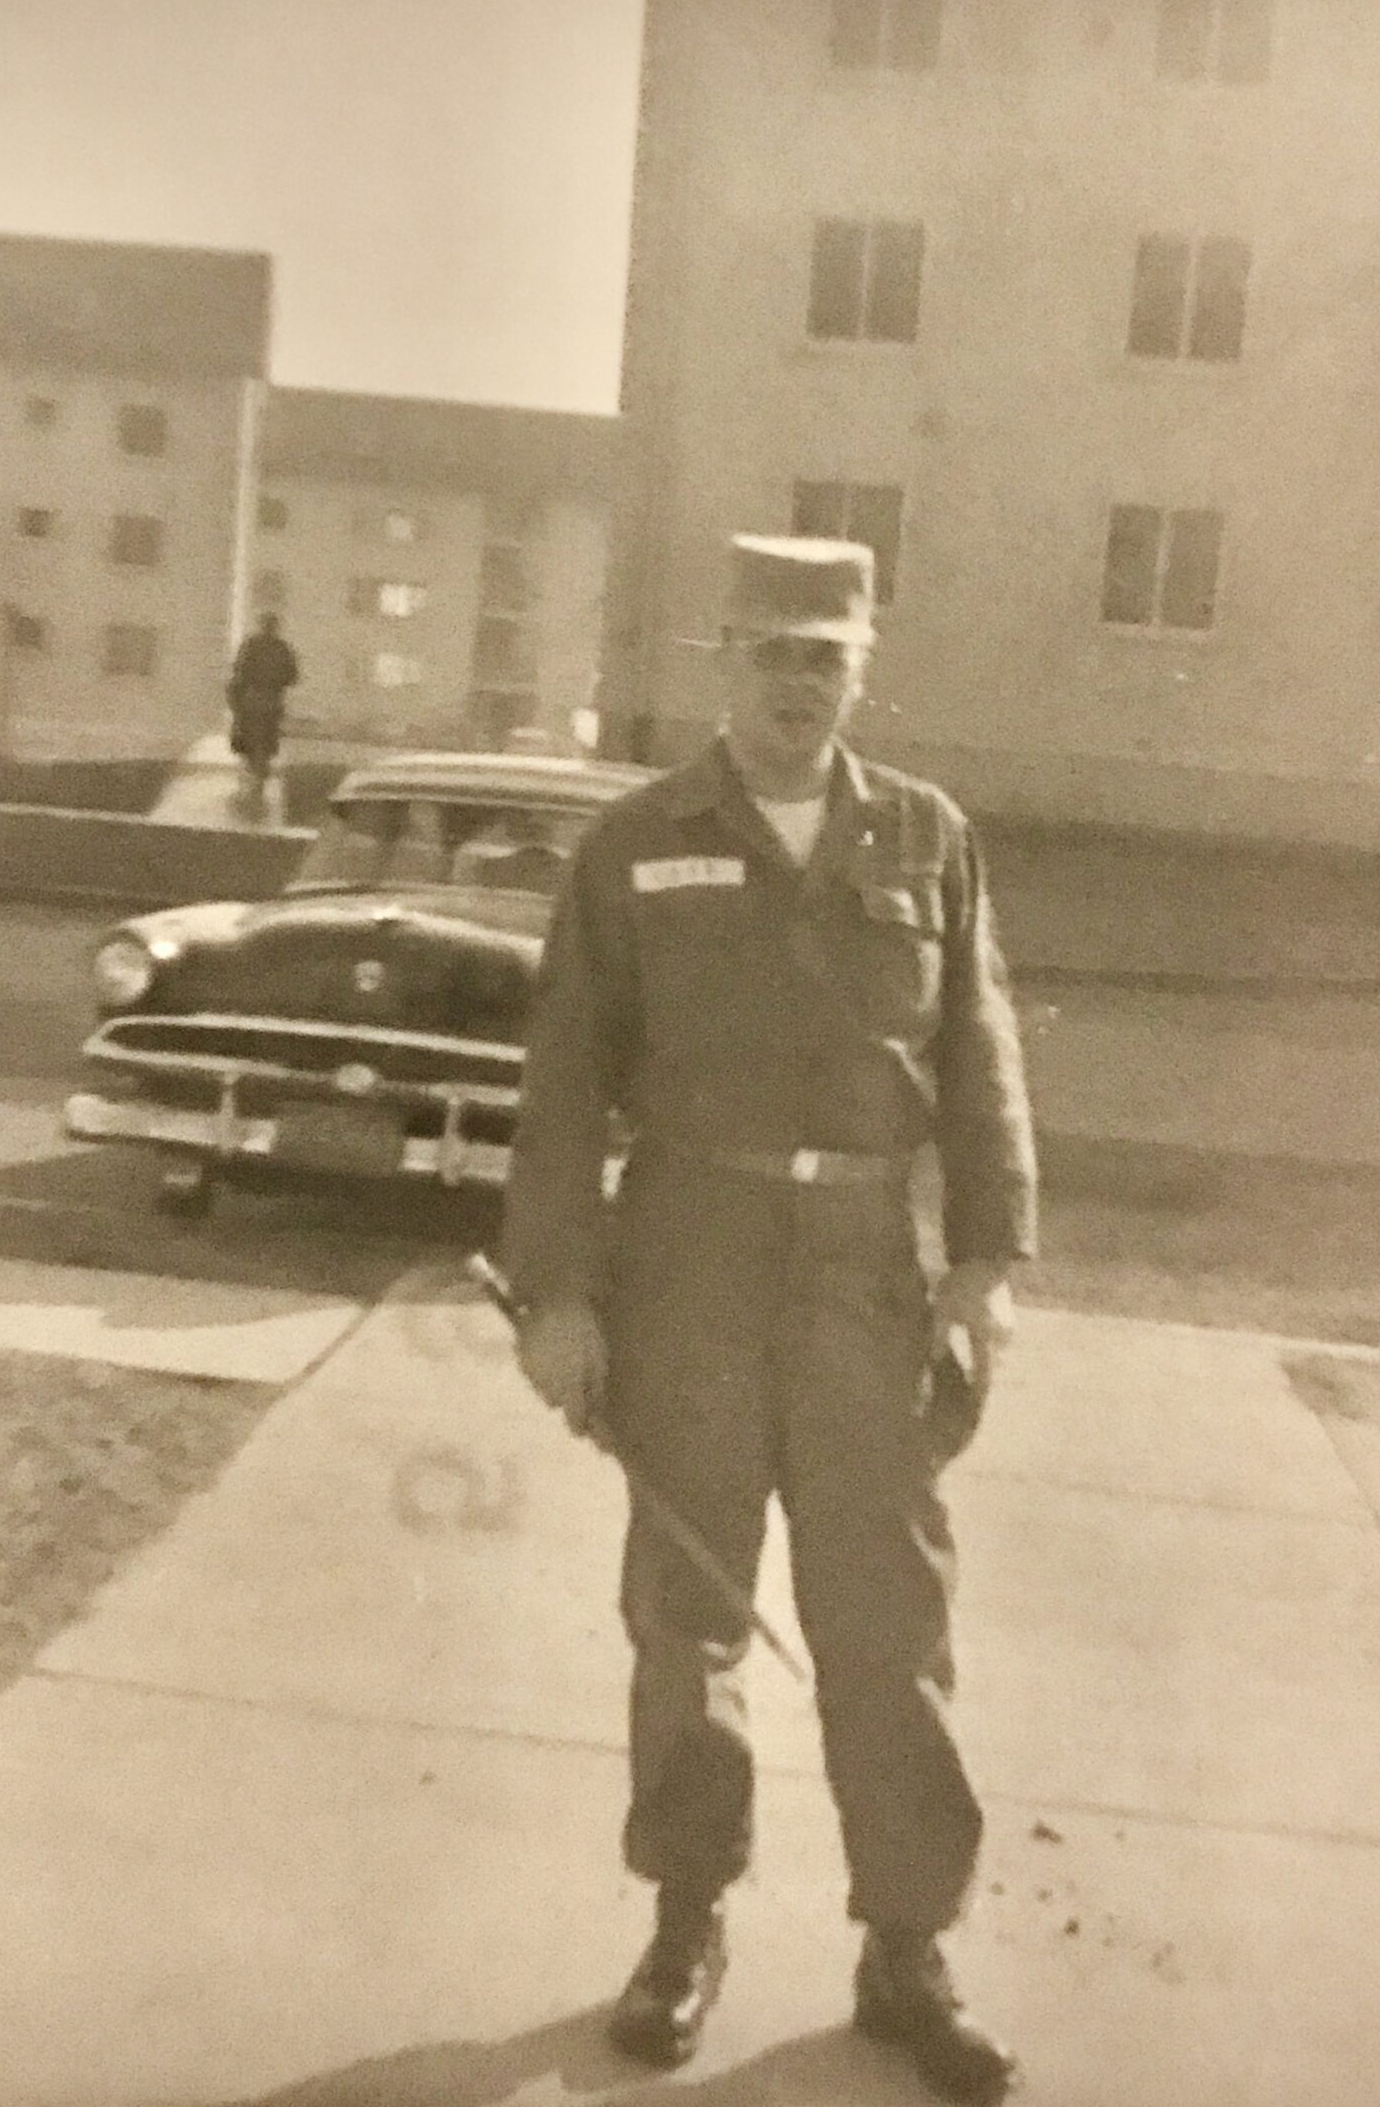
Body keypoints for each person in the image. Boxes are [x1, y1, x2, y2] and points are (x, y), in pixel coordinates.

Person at [499, 534, 1037, 2103]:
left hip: (866, 1272)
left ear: (864, 664)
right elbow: (559, 1092)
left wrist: (984, 1268)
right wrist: (560, 1297)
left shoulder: (926, 838)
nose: (796, 682)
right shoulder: (630, 845)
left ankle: (905, 1950)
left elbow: (981, 1059)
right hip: (689, 1258)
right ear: (717, 654)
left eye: (826, 654)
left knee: (887, 1619)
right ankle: (684, 1927)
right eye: (769, 651)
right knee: (689, 1618)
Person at [225, 611, 299, 801]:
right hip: (268, 701)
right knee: (261, 742)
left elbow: (239, 671)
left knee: (254, 740)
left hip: (255, 700)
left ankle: (253, 778)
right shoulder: (281, 648)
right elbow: (292, 677)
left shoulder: (253, 645)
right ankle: (256, 779)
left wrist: (238, 696)